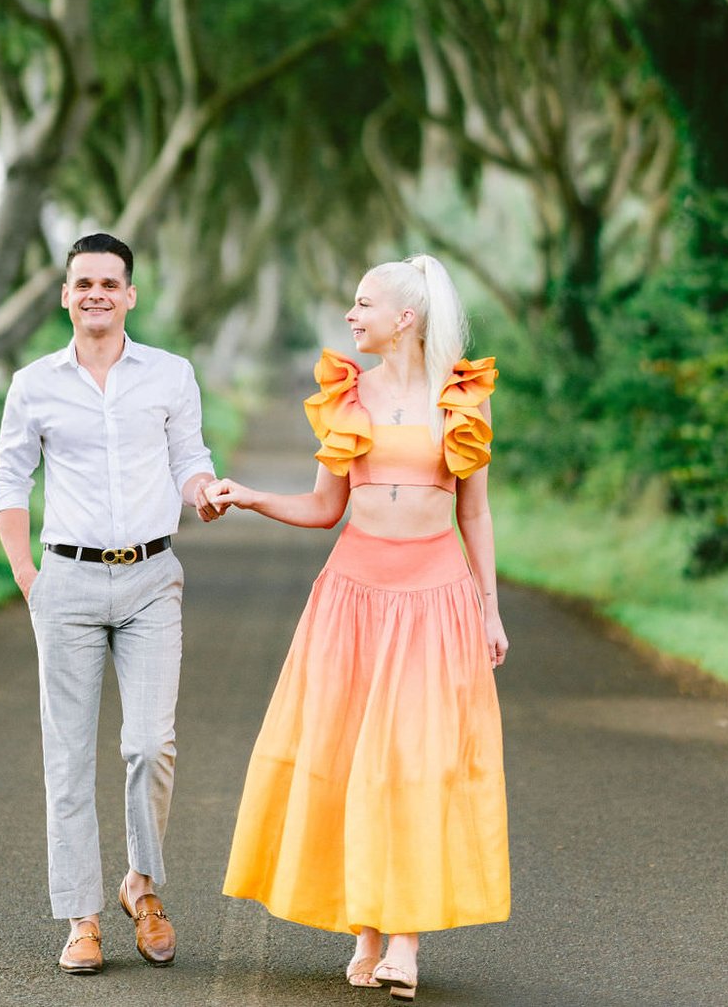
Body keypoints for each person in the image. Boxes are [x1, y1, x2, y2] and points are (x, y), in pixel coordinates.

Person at [199, 254, 510, 1002]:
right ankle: (366, 930)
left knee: (414, 762)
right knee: (351, 760)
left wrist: (488, 606)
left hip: (435, 598)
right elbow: (322, 508)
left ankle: (404, 937)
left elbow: (474, 512)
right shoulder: (346, 393)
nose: (351, 314)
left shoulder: (463, 396)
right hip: (353, 596)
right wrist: (248, 496)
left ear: (406, 317)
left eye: (364, 303)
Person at [0, 232, 216, 974]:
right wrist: (28, 575)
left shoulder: (171, 375)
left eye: (109, 283)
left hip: (153, 577)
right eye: (82, 282)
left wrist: (202, 494)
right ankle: (82, 918)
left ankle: (141, 888)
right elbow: (9, 478)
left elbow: (190, 458)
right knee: (68, 757)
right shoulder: (34, 384)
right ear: (64, 294)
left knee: (150, 744)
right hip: (67, 582)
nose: (95, 293)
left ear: (130, 295)